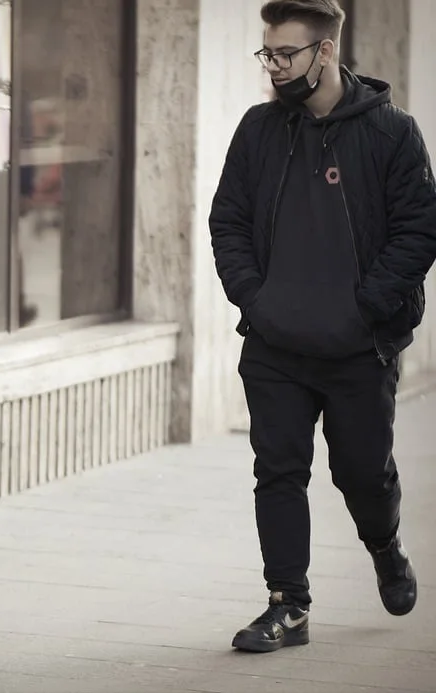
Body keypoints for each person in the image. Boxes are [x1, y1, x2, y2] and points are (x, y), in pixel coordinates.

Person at [210, 0, 436, 653]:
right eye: (268, 54)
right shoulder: (257, 130)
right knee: (277, 470)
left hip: (356, 348)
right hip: (275, 344)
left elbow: (420, 228)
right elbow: (227, 220)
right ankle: (289, 604)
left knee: (362, 472)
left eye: (286, 54)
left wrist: (366, 306)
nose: (274, 66)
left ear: (326, 51)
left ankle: (385, 547)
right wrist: (256, 297)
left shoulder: (392, 133)